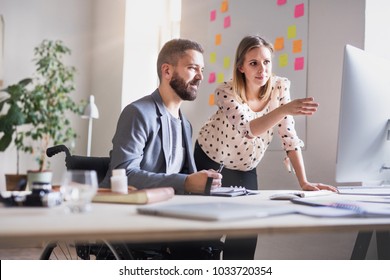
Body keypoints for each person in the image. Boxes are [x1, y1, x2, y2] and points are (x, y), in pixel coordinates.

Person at [194, 35, 338, 259]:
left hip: (245, 166)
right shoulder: (225, 92)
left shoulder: (280, 87)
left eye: (267, 62)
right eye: (254, 63)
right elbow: (249, 129)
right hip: (211, 160)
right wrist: (283, 110)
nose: (262, 69)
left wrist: (304, 181)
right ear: (241, 67)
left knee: (246, 233)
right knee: (207, 234)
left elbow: (289, 136)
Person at [100, 38, 223, 259]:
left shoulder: (185, 123)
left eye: (201, 70)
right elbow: (123, 174)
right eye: (192, 68)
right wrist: (186, 182)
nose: (200, 77)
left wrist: (204, 182)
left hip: (171, 216)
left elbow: (187, 175)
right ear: (167, 71)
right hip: (135, 219)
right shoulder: (138, 113)